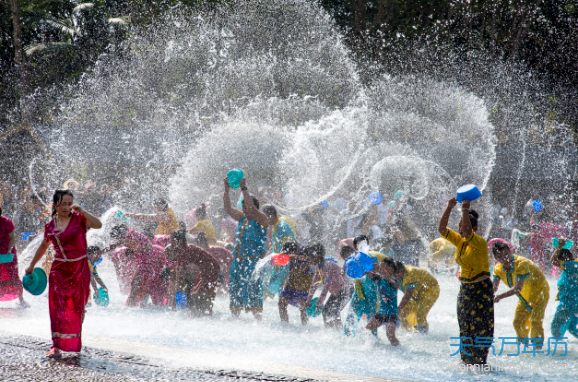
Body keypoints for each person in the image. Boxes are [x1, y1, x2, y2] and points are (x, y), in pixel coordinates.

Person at [25, 189, 102, 358]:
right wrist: (31, 264)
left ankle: (72, 341)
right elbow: (44, 246)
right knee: (57, 307)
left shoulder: (80, 219)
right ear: (55, 205)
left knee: (76, 308)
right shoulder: (50, 225)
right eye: (63, 204)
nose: (67, 207)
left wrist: (82, 211)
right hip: (59, 271)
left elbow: (98, 225)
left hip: (80, 269)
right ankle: (56, 346)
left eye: (69, 204)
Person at [438, 196, 493, 365]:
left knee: (481, 327)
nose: (460, 230)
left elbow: (468, 234)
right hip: (465, 289)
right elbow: (441, 229)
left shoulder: (480, 243)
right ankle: (466, 360)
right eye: (459, 226)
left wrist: (464, 209)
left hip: (481, 289)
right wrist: (449, 207)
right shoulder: (460, 242)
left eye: (464, 226)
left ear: (475, 227)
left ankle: (480, 362)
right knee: (465, 326)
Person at [223, 177, 268, 320]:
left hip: (253, 263)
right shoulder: (243, 218)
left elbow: (253, 209)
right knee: (235, 293)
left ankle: (258, 323)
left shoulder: (262, 219)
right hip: (238, 262)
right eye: (243, 206)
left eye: (246, 206)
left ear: (253, 206)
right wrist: (226, 189)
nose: (243, 209)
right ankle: (235, 321)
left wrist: (243, 188)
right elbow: (228, 208)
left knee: (253, 292)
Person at [491, 241, 549, 347]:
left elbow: (517, 288)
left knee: (536, 322)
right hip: (524, 296)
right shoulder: (498, 269)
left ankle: (538, 350)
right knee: (517, 322)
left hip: (540, 294)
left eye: (506, 254)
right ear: (496, 259)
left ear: (510, 252)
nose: (504, 259)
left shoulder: (521, 264)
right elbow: (493, 288)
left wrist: (499, 296)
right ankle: (524, 348)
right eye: (500, 257)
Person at [108, 224, 167, 307]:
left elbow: (122, 243)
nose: (118, 239)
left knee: (140, 284)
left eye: (117, 237)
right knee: (137, 284)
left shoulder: (129, 236)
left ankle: (134, 305)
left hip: (148, 260)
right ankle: (134, 304)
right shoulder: (132, 234)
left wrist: (105, 249)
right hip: (146, 260)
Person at [165, 230, 220, 316]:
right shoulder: (182, 251)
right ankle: (202, 313)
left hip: (211, 269)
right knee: (194, 292)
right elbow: (179, 271)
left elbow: (181, 275)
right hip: (205, 270)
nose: (170, 242)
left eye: (172, 240)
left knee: (201, 293)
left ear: (179, 241)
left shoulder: (187, 251)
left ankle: (205, 315)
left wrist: (177, 296)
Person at [305, 242, 350, 329]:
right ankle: (330, 332)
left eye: (309, 257)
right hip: (337, 292)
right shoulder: (319, 265)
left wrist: (319, 302)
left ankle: (342, 334)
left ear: (316, 256)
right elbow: (314, 285)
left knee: (335, 312)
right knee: (325, 312)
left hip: (346, 289)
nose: (308, 260)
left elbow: (326, 286)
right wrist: (308, 300)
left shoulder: (327, 264)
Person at [391, 260, 440, 333]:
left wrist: (398, 309)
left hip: (431, 290)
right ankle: (406, 333)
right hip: (417, 292)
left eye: (394, 275)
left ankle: (424, 336)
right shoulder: (400, 273)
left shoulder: (410, 274)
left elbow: (407, 295)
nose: (393, 277)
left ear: (401, 271)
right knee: (403, 313)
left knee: (420, 315)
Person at [365, 257, 401, 346]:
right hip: (382, 311)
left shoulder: (394, 281)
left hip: (392, 313)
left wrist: (378, 268)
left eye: (383, 266)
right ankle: (372, 346)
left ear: (391, 269)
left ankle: (398, 348)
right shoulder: (379, 278)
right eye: (380, 265)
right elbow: (367, 273)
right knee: (368, 328)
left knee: (390, 335)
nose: (380, 267)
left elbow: (387, 276)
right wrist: (362, 266)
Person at [278, 241, 315, 325]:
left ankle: (305, 327)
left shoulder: (305, 249)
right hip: (293, 274)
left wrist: (296, 257)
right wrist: (286, 255)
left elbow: (311, 260)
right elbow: (281, 255)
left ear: (297, 249)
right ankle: (284, 324)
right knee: (281, 302)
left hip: (305, 276)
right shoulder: (288, 246)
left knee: (302, 304)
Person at [549, 239, 578, 339]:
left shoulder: (571, 266)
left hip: (569, 302)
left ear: (566, 258)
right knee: (572, 328)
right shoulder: (574, 264)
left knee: (556, 327)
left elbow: (553, 260)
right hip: (574, 303)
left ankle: (557, 349)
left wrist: (559, 246)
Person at [0, 206, 28, 307]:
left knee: (13, 274)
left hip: (8, 253)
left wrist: (8, 250)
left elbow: (12, 238)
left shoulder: (6, 221)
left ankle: (21, 300)